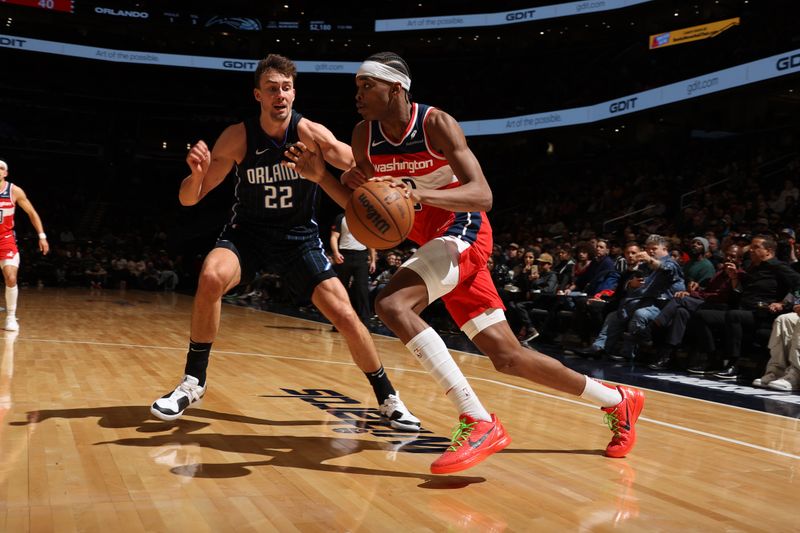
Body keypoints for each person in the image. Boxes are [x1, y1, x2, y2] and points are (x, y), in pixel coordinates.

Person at [285, 52, 644, 474]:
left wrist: (419, 192)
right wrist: (322, 177)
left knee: (393, 305)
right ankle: (620, 401)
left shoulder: (436, 123)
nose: (358, 95)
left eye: (367, 86)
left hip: (465, 229)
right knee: (508, 356)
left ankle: (477, 419)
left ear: (395, 88)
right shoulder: (365, 136)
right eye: (357, 88)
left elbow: (482, 195)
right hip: (434, 243)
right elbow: (367, 211)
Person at [150, 54, 420, 432]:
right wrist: (195, 174)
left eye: (287, 88)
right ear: (257, 94)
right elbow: (189, 199)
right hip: (247, 236)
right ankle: (194, 382)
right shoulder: (237, 136)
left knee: (345, 315)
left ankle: (388, 397)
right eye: (273, 89)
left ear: (295, 93)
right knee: (211, 276)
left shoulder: (310, 133)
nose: (281, 95)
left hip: (299, 240)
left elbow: (356, 162)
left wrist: (392, 179)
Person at [0, 160, 49, 331]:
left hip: (5, 239)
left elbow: (31, 212)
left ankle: (11, 317)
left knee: (11, 277)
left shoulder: (14, 191)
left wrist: (41, 236)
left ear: (5, 173)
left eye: (1, 168)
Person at [330, 213, 376, 323]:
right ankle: (338, 321)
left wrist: (373, 260)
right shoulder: (341, 217)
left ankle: (365, 321)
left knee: (362, 289)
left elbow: (370, 240)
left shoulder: (366, 218)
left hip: (361, 256)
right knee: (341, 289)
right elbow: (334, 237)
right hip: (344, 255)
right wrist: (336, 253)